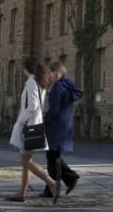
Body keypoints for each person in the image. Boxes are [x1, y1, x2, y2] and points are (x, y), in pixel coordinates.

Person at [7, 57, 59, 203]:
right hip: (35, 123)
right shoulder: (40, 82)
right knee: (26, 160)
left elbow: (33, 105)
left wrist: (21, 121)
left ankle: (51, 182)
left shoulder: (31, 82)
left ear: (26, 68)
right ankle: (22, 193)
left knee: (26, 161)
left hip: (29, 125)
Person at [41, 60, 82, 198]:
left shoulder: (58, 88)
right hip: (65, 123)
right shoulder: (67, 85)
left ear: (57, 72)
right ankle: (51, 188)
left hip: (56, 125)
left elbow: (54, 111)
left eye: (50, 73)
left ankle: (70, 178)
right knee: (53, 156)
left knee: (52, 155)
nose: (49, 76)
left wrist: (43, 121)